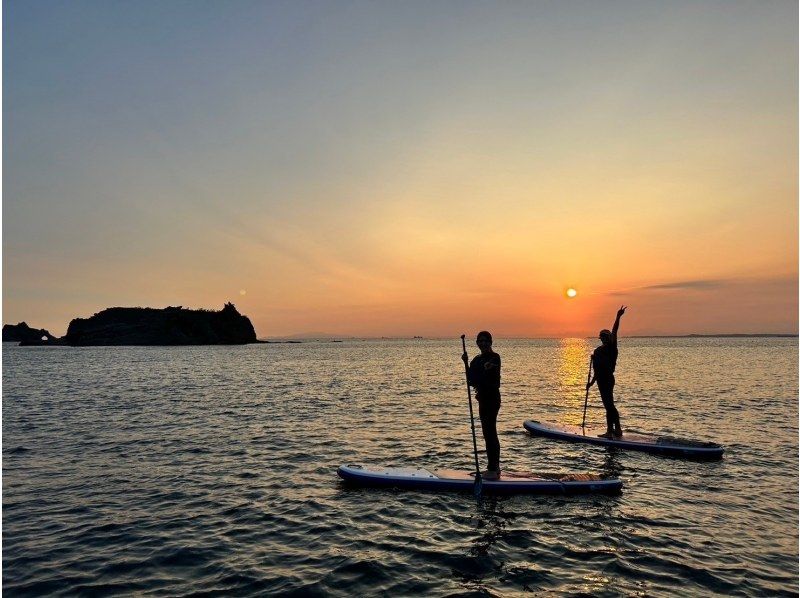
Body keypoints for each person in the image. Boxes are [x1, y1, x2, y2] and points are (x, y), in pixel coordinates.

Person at [462, 331, 502, 479]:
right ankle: (493, 467)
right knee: (487, 432)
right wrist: (466, 363)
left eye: (486, 341)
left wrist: (486, 370)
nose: (483, 343)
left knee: (490, 432)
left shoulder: (494, 357)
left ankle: (493, 468)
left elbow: (492, 376)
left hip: (492, 399)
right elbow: (471, 380)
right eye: (480, 341)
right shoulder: (476, 360)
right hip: (483, 400)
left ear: (490, 342)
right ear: (477, 343)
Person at [587, 306, 627, 438]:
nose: (603, 339)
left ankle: (613, 431)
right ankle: (614, 430)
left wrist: (618, 316)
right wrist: (591, 383)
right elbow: (597, 369)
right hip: (601, 380)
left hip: (608, 380)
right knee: (608, 405)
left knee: (609, 405)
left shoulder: (611, 347)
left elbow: (615, 330)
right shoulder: (599, 350)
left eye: (605, 336)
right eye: (602, 337)